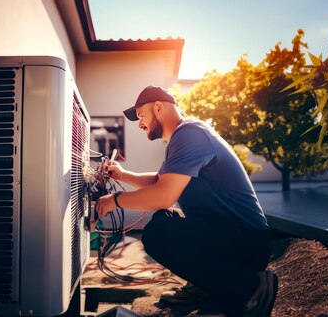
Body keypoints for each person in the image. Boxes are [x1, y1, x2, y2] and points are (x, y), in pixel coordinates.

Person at [95, 85, 278, 317]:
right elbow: (159, 180)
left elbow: (164, 195)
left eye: (141, 116)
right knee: (165, 221)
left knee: (159, 234)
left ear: (158, 107)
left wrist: (115, 201)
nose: (140, 124)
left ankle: (249, 287)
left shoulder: (190, 134)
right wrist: (122, 175)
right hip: (230, 235)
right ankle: (207, 285)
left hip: (246, 240)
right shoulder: (183, 136)